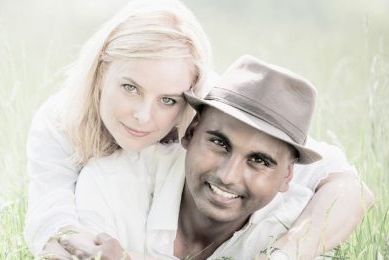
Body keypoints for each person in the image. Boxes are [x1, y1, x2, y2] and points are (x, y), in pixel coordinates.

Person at [25, 1, 373, 258]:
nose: (143, 118)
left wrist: (290, 250)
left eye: (168, 100)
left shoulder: (217, 112)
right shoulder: (61, 122)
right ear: (102, 71)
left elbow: (346, 184)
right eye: (130, 88)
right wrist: (70, 239)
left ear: (191, 101)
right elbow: (51, 212)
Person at [60, 55, 368, 259]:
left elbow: (354, 189)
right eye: (219, 143)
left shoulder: (292, 226)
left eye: (259, 161)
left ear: (288, 175)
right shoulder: (112, 184)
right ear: (191, 132)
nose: (229, 175)